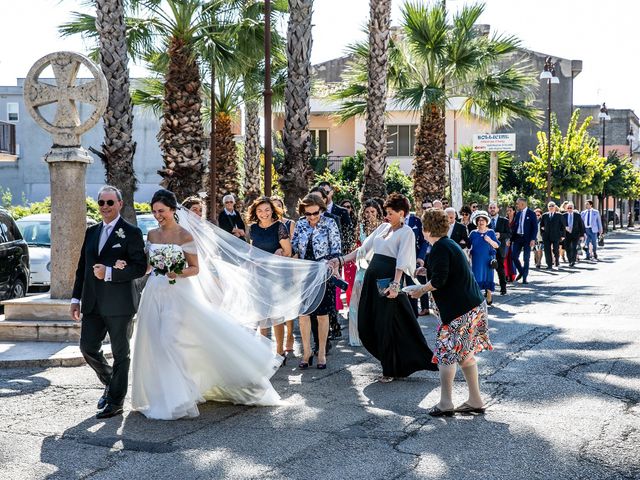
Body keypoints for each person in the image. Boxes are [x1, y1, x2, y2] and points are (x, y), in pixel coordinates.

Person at [129, 190, 329, 420]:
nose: (157, 216)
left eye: (161, 211)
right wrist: (127, 268)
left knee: (170, 340)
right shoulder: (152, 235)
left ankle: (179, 396)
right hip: (154, 292)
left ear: (173, 210)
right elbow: (147, 266)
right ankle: (159, 394)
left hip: (178, 292)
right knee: (153, 341)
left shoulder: (185, 235)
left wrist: (176, 272)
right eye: (154, 212)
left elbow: (195, 268)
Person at [331, 193, 438, 383]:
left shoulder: (406, 232)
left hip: (387, 282)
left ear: (402, 213)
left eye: (390, 213)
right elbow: (363, 249)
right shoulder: (383, 228)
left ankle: (389, 368)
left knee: (385, 324)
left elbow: (402, 261)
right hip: (372, 279)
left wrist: (396, 284)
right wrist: (340, 260)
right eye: (386, 212)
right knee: (367, 319)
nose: (386, 216)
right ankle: (393, 363)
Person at [70, 185, 147, 419]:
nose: (105, 207)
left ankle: (115, 402)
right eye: (101, 202)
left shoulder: (131, 232)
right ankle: (111, 381)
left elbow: (140, 267)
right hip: (92, 303)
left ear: (120, 204)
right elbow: (83, 267)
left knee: (121, 353)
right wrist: (76, 298)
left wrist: (111, 272)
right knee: (88, 347)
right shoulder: (91, 231)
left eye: (110, 203)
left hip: (120, 305)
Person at [409, 208, 492, 417]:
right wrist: (426, 272)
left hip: (459, 311)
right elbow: (444, 272)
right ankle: (475, 399)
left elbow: (439, 281)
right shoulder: (449, 244)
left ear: (427, 228)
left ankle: (446, 403)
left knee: (446, 355)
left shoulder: (439, 247)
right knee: (465, 355)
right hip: (473, 306)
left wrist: (420, 290)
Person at [291, 193, 341, 370]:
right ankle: (306, 352)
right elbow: (294, 246)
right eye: (308, 214)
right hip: (304, 273)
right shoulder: (301, 224)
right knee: (303, 315)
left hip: (323, 273)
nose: (312, 217)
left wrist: (332, 267)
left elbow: (336, 249)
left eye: (315, 213)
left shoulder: (330, 223)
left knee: (322, 315)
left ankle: (320, 353)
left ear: (321, 209)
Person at [247, 197, 292, 361]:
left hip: (276, 276)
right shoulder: (253, 228)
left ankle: (280, 352)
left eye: (267, 210)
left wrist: (279, 252)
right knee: (261, 315)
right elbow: (252, 249)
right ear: (255, 212)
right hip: (258, 276)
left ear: (272, 210)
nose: (263, 213)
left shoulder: (279, 227)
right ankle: (263, 351)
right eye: (259, 211)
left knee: (276, 315)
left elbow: (288, 251)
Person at [348, 199, 384, 347]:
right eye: (367, 212)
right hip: (362, 269)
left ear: (378, 213)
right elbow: (357, 248)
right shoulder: (360, 228)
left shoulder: (383, 228)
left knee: (378, 302)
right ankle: (358, 335)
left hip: (378, 268)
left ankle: (377, 333)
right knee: (356, 301)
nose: (369, 215)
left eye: (373, 212)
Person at [271, 196, 296, 353]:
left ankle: (290, 334)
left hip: (287, 267)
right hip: (272, 269)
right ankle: (277, 341)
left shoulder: (289, 223)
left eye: (278, 205)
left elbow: (291, 246)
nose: (276, 208)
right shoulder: (266, 225)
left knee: (288, 304)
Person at [468, 210, 500, 305]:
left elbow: (497, 245)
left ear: (486, 222)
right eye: (479, 220)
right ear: (476, 222)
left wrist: (489, 240)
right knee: (476, 276)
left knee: (488, 276)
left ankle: (489, 294)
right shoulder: (473, 233)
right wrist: (468, 251)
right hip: (476, 259)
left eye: (483, 220)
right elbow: (468, 244)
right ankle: (478, 298)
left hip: (488, 258)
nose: (481, 222)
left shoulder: (490, 232)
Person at [405, 205, 430, 316]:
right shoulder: (392, 222)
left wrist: (421, 257)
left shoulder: (416, 221)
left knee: (412, 288)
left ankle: (414, 316)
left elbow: (424, 242)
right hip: (397, 262)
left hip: (414, 260)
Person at [511, 198, 538, 284]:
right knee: (514, 256)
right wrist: (511, 239)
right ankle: (522, 272)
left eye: (517, 204)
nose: (517, 205)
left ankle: (524, 277)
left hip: (527, 239)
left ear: (522, 204)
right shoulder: (518, 214)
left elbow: (535, 227)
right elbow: (515, 227)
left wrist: (533, 239)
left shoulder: (531, 213)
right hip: (518, 238)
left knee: (526, 258)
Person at [488, 202, 511, 295]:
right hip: (488, 249)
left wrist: (500, 235)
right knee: (488, 268)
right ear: (488, 209)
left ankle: (503, 288)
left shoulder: (504, 220)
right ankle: (487, 290)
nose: (492, 209)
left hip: (500, 248)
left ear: (498, 209)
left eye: (494, 207)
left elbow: (509, 233)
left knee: (500, 268)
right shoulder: (486, 220)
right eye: (490, 208)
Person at [339, 198, 358, 307]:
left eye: (349, 207)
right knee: (347, 280)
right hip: (343, 255)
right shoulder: (337, 220)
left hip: (354, 254)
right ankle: (350, 305)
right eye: (344, 207)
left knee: (354, 281)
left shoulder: (356, 222)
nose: (347, 209)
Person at [540, 201, 564, 269]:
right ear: (548, 207)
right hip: (546, 236)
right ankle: (549, 264)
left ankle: (556, 261)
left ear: (555, 207)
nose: (551, 207)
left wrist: (562, 236)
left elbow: (563, 226)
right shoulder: (544, 215)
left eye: (552, 206)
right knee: (547, 250)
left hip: (556, 236)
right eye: (550, 206)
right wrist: (542, 234)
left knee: (555, 250)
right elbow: (541, 225)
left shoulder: (559, 215)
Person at [562, 202, 585, 267]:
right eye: (568, 208)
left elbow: (581, 225)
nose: (569, 209)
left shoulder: (577, 215)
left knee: (574, 247)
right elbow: (561, 226)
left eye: (570, 208)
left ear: (573, 208)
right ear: (566, 208)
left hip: (575, 234)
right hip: (566, 234)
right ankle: (570, 260)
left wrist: (582, 235)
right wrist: (564, 230)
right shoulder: (563, 215)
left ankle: (573, 260)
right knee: (567, 248)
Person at [504, 205, 517, 282]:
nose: (509, 212)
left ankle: (512, 275)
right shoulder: (505, 220)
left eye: (510, 210)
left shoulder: (517, 220)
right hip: (505, 242)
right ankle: (506, 275)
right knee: (505, 258)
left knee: (512, 258)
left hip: (514, 241)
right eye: (507, 211)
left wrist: (511, 240)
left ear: (514, 211)